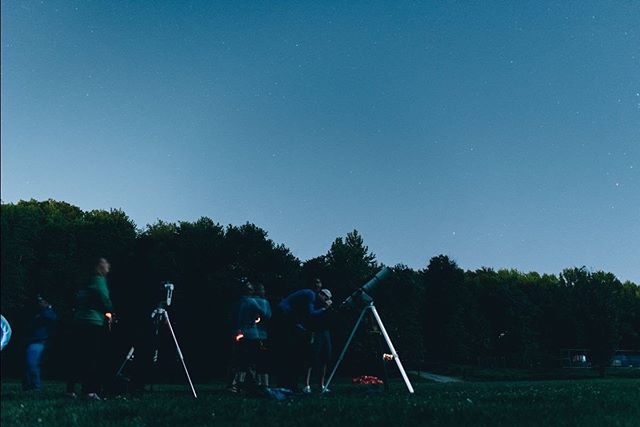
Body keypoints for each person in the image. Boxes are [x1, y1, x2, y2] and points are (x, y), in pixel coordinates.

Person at [66, 257, 114, 400]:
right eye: (106, 263)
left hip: (79, 321)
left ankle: (70, 389)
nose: (109, 266)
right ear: (99, 266)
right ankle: (89, 391)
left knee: (78, 356)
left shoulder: (85, 282)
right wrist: (111, 311)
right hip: (92, 323)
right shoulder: (99, 281)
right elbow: (104, 299)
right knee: (92, 357)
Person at [272, 285, 332, 391]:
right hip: (283, 314)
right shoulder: (311, 295)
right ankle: (288, 383)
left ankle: (288, 383)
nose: (325, 301)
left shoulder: (309, 297)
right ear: (321, 295)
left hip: (287, 315)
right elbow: (311, 314)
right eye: (325, 298)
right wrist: (324, 308)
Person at [23, 295, 58, 391]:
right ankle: (29, 386)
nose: (39, 302)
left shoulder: (48, 313)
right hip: (34, 341)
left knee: (32, 363)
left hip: (39, 341)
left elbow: (53, 318)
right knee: (29, 364)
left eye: (41, 300)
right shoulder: (40, 313)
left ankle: (36, 387)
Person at [304, 286, 333, 393]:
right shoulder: (313, 303)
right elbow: (311, 316)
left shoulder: (326, 307)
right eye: (323, 296)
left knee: (325, 357)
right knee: (311, 357)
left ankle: (321, 384)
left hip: (325, 332)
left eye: (327, 297)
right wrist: (324, 308)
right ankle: (306, 385)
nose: (325, 298)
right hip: (315, 332)